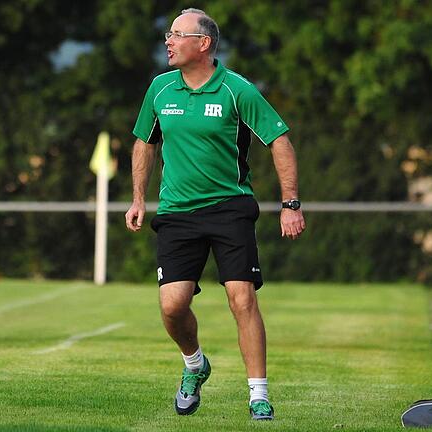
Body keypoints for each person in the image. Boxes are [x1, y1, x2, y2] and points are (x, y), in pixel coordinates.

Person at [124, 8, 305, 421]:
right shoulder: (159, 89)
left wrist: (290, 203)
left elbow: (279, 141)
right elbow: (144, 144)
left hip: (229, 208)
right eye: (167, 34)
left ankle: (258, 395)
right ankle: (194, 365)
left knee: (241, 299)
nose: (168, 42)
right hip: (176, 212)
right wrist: (138, 198)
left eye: (176, 34)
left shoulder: (237, 90)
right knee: (172, 306)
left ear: (202, 44)